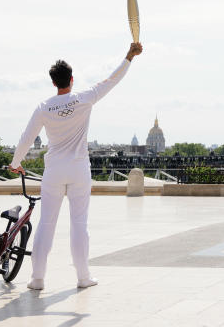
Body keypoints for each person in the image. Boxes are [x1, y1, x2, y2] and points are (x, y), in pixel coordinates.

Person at [9, 42, 143, 290]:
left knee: (46, 224)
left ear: (53, 83)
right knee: (79, 224)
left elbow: (26, 138)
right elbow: (112, 80)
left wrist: (15, 163)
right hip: (79, 168)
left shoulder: (44, 107)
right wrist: (128, 57)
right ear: (71, 79)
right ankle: (83, 277)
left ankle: (37, 279)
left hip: (54, 170)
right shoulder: (84, 98)